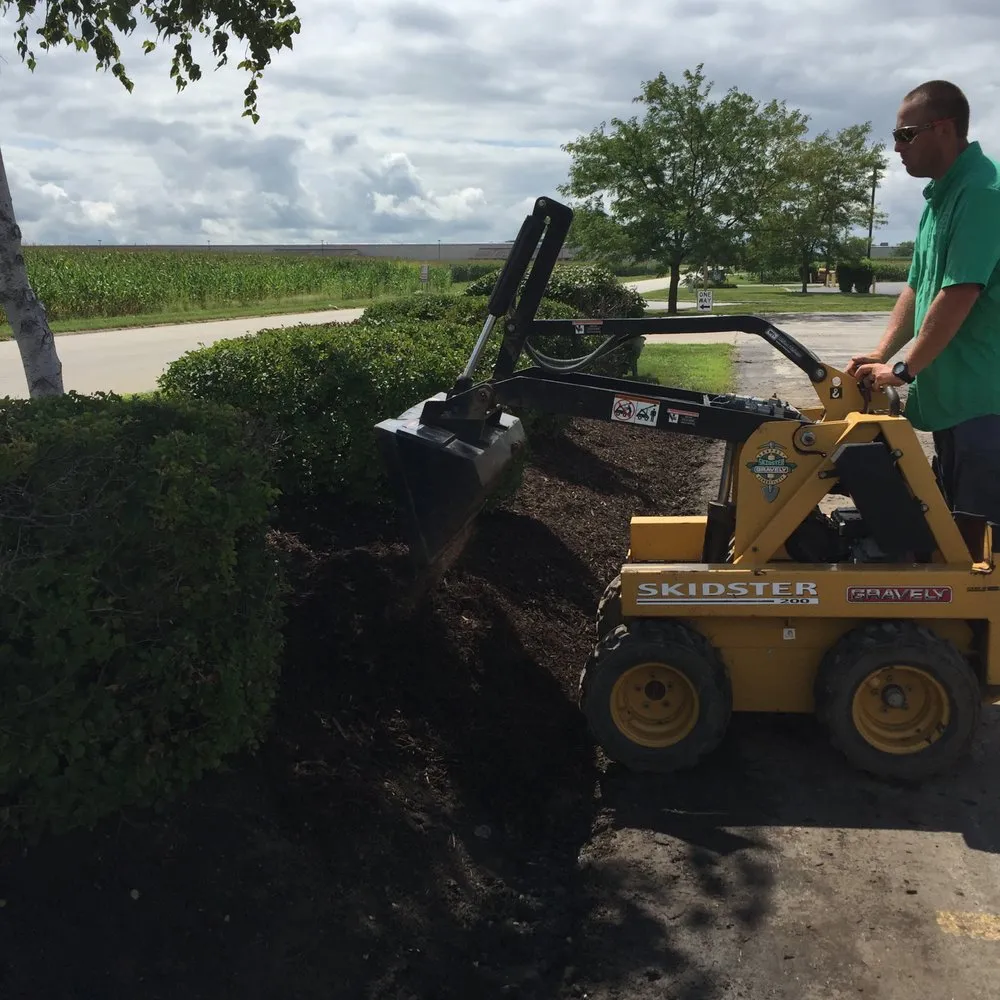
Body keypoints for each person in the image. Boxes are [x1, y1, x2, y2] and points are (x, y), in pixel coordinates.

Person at [848, 80, 1000, 526]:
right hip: (956, 403)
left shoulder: (984, 193)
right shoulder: (941, 197)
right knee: (954, 537)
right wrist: (882, 353)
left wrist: (903, 369)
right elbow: (918, 287)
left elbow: (960, 292)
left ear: (945, 129)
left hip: (987, 406)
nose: (897, 147)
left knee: (982, 547)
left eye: (906, 134)